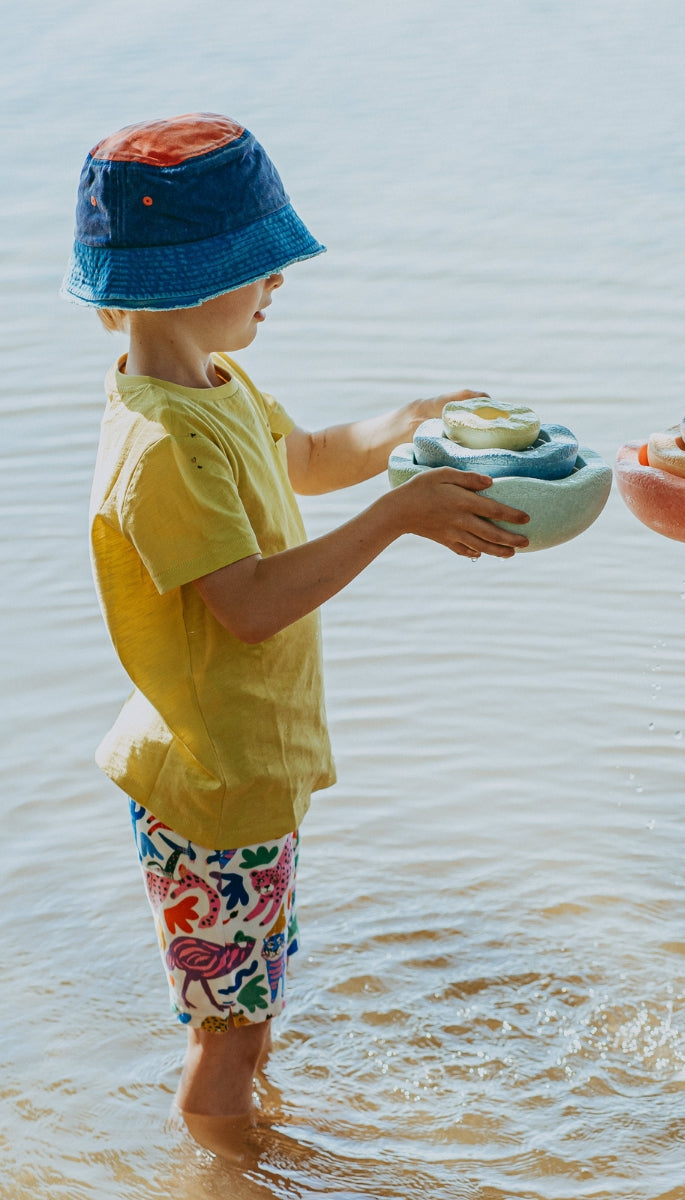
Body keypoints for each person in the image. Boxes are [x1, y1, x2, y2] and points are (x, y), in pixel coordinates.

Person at [64, 112, 529, 1155]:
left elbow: (310, 454)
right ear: (192, 278)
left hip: (242, 776)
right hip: (210, 790)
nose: (277, 288)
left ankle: (250, 1150)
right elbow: (253, 602)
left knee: (247, 1012)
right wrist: (398, 519)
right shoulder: (161, 444)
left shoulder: (215, 388)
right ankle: (225, 1170)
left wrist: (404, 427)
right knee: (226, 1036)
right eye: (262, 269)